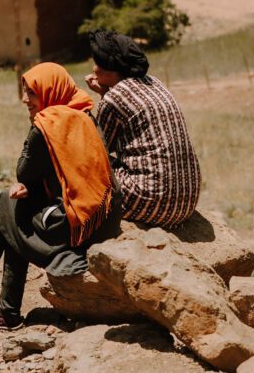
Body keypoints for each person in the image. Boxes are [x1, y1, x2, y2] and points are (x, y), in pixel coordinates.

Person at [0, 62, 119, 329]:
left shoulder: (48, 125)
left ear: (50, 91)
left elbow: (24, 171)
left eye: (32, 93)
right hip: (95, 216)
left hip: (71, 226)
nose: (24, 100)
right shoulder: (84, 113)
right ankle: (4, 311)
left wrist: (34, 130)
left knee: (8, 205)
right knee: (16, 210)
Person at [86, 29, 201, 228]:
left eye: (98, 64)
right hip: (187, 201)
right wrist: (105, 92)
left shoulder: (114, 98)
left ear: (111, 69)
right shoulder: (154, 82)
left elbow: (99, 150)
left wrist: (103, 97)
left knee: (85, 163)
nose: (94, 69)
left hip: (152, 202)